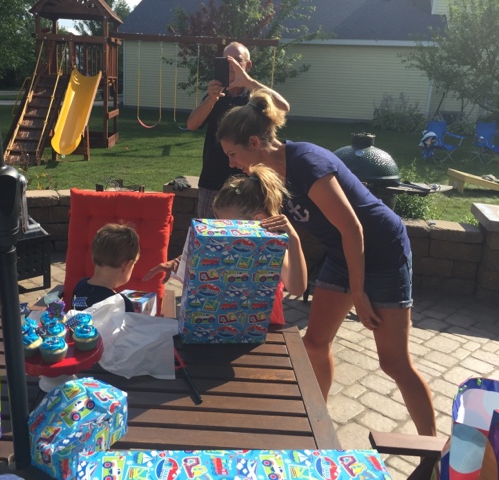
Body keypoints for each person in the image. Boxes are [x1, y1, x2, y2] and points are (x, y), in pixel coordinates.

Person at [215, 88, 437, 437]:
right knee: (315, 344)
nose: (231, 163)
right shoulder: (268, 177)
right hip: (343, 253)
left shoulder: (307, 162)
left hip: (383, 251)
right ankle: (318, 425)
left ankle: (432, 450)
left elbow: (353, 228)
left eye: (232, 153)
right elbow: (245, 219)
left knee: (394, 363)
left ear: (254, 142)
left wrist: (359, 293)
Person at [144, 164, 308, 324]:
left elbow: (297, 289)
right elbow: (204, 258)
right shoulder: (224, 244)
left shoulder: (274, 249)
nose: (221, 230)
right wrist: (178, 263)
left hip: (261, 327)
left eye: (228, 226)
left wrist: (294, 238)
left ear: (257, 220)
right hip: (217, 322)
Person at [185, 42, 290, 218]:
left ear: (248, 65)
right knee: (208, 231)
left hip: (250, 181)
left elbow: (283, 107)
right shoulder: (215, 95)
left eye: (237, 60)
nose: (231, 65)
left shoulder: (255, 96)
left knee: (247, 231)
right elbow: (191, 125)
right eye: (226, 61)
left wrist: (248, 82)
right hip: (213, 179)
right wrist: (211, 99)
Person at [72, 223, 139, 312]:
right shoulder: (122, 305)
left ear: (93, 257)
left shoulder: (80, 287)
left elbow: (77, 311)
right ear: (127, 266)